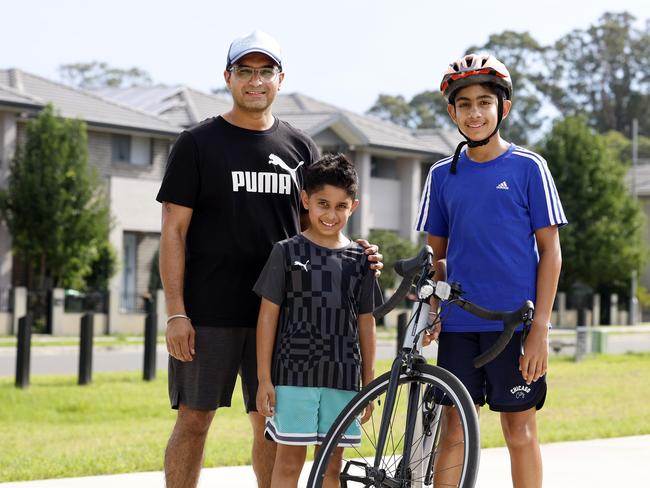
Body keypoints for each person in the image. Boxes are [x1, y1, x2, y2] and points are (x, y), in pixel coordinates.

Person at [156, 30, 382, 488]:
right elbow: (172, 232)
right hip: (209, 311)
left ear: (280, 79)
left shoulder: (300, 149)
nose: (255, 81)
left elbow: (321, 222)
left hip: (285, 318)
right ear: (228, 77)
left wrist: (357, 251)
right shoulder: (197, 144)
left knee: (271, 426)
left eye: (265, 72)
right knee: (194, 421)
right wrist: (176, 312)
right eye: (245, 71)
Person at [415, 54, 567, 488]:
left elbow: (550, 252)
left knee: (519, 431)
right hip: (460, 325)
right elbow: (434, 258)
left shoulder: (528, 168)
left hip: (514, 327)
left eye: (485, 101)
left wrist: (540, 328)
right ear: (452, 112)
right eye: (464, 104)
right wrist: (431, 307)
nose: (475, 112)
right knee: (454, 430)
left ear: (504, 107)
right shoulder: (442, 175)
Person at [254, 154, 376, 488]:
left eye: (341, 206)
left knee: (331, 469)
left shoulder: (360, 259)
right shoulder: (286, 252)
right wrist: (264, 379)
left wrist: (369, 381)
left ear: (354, 206)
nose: (331, 214)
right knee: (289, 464)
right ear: (305, 200)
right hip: (294, 377)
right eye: (323, 203)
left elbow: (366, 322)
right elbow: (267, 318)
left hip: (343, 378)